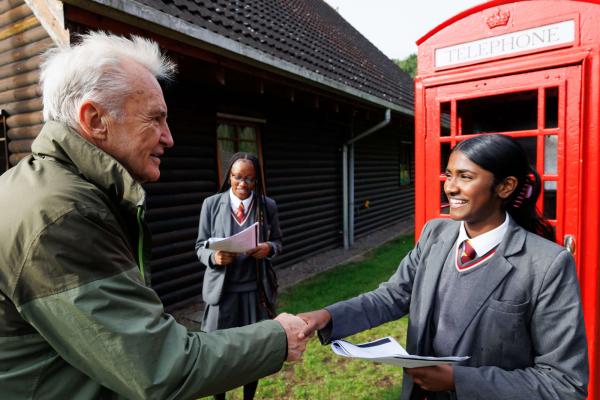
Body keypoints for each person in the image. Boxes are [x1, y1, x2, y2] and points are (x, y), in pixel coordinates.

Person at [0, 32, 308, 400]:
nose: (169, 137)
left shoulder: (46, 189)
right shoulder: (61, 215)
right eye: (155, 119)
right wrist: (278, 338)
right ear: (95, 119)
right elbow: (160, 368)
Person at [298, 134, 588, 399]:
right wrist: (327, 316)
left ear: (505, 186)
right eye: (449, 174)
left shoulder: (547, 264)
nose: (450, 187)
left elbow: (564, 383)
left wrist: (457, 380)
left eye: (465, 176)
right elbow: (393, 295)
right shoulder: (435, 234)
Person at [195, 152, 282, 400]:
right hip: (222, 294)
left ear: (257, 180)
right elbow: (200, 246)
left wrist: (268, 249)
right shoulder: (211, 205)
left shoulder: (268, 206)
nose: (243, 184)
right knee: (217, 353)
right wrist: (214, 258)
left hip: (255, 293)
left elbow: (278, 242)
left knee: (252, 352)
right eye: (237, 177)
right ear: (229, 176)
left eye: (250, 179)